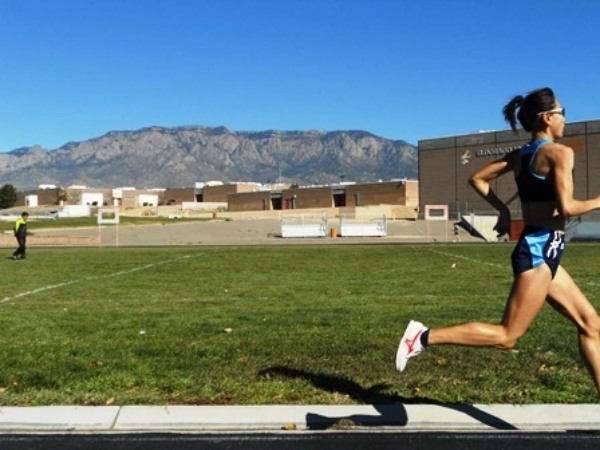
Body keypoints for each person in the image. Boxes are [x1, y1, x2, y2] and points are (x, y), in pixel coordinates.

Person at [396, 87, 600, 393]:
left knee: (591, 324)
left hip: (545, 249)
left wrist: (504, 211)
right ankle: (422, 336)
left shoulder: (521, 155)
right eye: (562, 113)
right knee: (507, 336)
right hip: (538, 252)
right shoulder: (560, 153)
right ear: (546, 118)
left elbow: (476, 178)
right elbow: (568, 207)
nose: (565, 120)